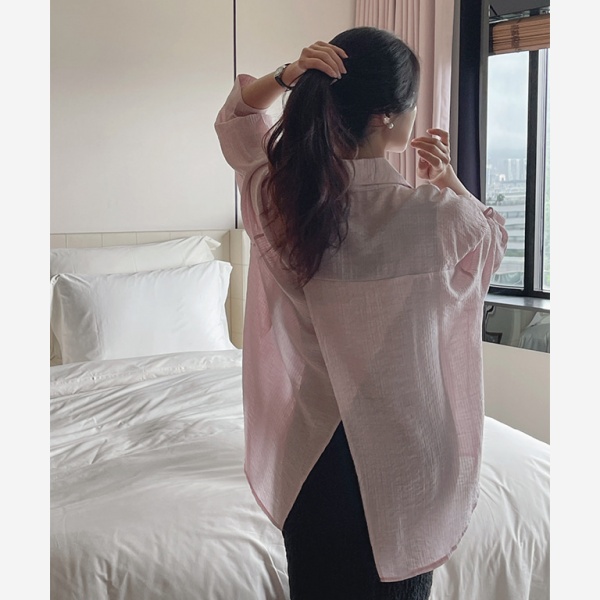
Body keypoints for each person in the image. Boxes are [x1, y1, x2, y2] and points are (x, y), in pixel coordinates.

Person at [215, 26, 507, 600]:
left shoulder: (282, 202)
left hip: (314, 459)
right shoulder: (440, 218)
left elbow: (235, 123)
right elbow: (491, 239)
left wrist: (288, 74)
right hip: (410, 458)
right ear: (386, 118)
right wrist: (448, 179)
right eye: (412, 104)